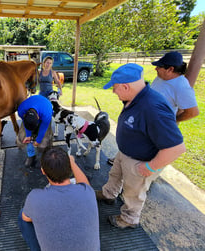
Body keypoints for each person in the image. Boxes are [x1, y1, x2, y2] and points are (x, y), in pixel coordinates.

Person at [98, 63, 186, 229]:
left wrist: (151, 167)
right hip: (125, 153)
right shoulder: (135, 97)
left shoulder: (153, 107)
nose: (113, 92)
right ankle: (108, 194)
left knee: (133, 192)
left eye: (115, 88)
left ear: (125, 86)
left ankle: (129, 219)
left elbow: (177, 148)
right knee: (114, 175)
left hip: (140, 161)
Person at [18, 147, 100, 251]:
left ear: (43, 171)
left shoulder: (34, 197)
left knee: (22, 214)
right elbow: (85, 185)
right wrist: (73, 163)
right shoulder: (87, 192)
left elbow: (26, 218)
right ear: (69, 168)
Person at [151, 51, 199, 122]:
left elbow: (192, 112)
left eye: (159, 66)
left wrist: (171, 121)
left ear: (170, 69)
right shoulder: (161, 77)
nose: (156, 69)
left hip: (158, 124)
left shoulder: (181, 87)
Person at [17, 95, 53, 168]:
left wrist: (38, 141)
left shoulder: (47, 114)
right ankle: (31, 155)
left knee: (44, 140)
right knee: (23, 136)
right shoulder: (21, 110)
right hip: (33, 110)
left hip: (45, 107)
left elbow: (43, 129)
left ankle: (44, 156)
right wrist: (28, 136)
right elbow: (25, 122)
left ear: (38, 118)